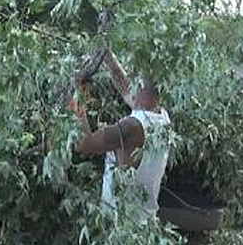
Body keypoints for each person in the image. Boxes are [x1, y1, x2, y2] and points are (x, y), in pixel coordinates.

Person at [68, 48, 171, 216]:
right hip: (143, 222)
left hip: (121, 227)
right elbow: (127, 90)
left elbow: (84, 145)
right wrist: (106, 54)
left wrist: (78, 98)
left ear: (140, 84)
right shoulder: (161, 116)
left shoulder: (130, 127)